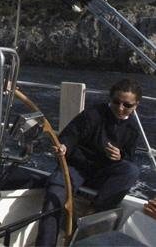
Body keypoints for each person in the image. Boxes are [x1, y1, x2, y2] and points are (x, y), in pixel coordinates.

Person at [35, 78, 143, 246]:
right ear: (111, 99)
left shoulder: (132, 130)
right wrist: (63, 147)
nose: (121, 108)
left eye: (127, 105)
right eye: (116, 102)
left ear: (136, 105)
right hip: (76, 167)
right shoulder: (92, 115)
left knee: (131, 170)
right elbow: (70, 135)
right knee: (54, 196)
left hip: (103, 174)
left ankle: (94, 214)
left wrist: (119, 156)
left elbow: (129, 159)